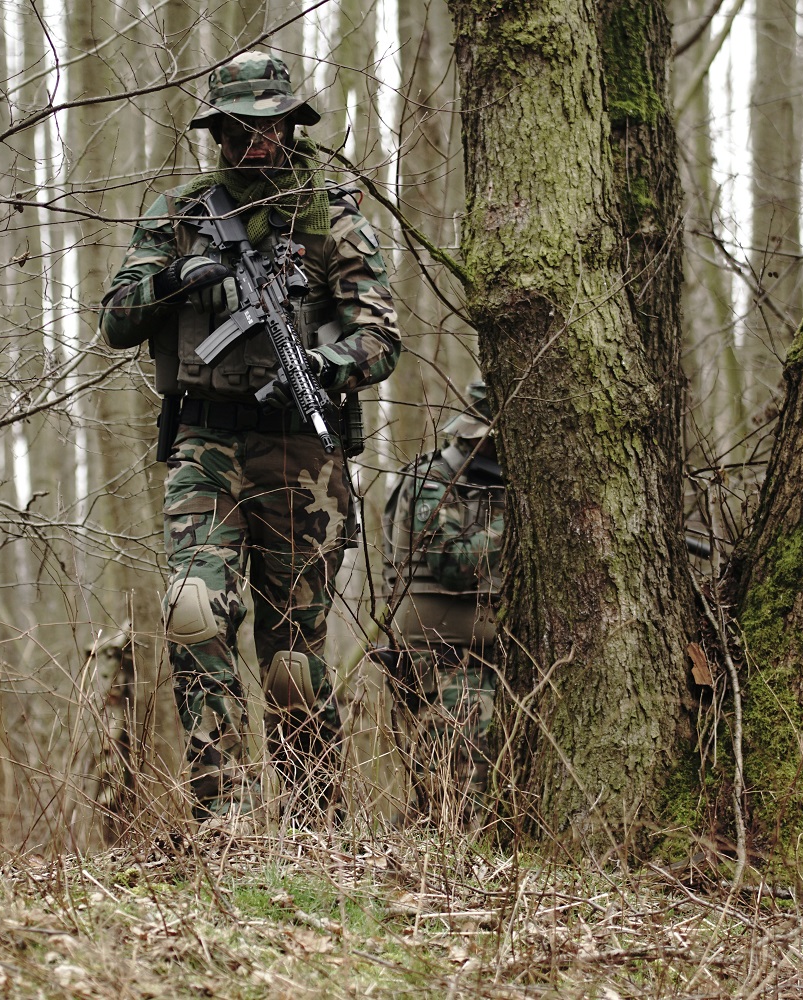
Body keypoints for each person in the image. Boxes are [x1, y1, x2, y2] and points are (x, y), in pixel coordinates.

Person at [98, 51, 400, 821]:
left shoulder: (332, 210)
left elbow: (379, 340)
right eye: (237, 128)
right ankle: (225, 817)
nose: (254, 140)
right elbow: (117, 320)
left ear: (291, 123)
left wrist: (320, 362)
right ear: (218, 131)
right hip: (207, 445)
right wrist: (181, 279)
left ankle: (312, 822)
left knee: (293, 655)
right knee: (194, 609)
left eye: (268, 125)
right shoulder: (181, 209)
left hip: (304, 448)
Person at [379, 381, 504, 820]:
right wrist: (515, 521)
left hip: (483, 655)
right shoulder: (432, 481)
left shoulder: (483, 484)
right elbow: (453, 563)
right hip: (441, 658)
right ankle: (420, 877)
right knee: (454, 790)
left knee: (466, 786)